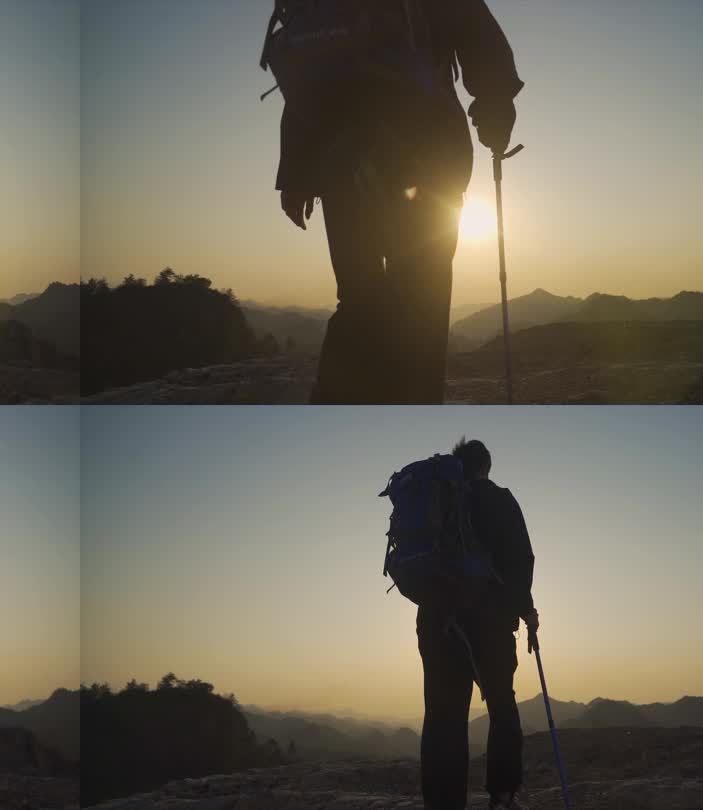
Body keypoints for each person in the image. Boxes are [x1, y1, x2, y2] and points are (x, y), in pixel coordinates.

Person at [272, 0, 524, 404]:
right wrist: (495, 107)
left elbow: (310, 75)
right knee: (423, 299)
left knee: (358, 299)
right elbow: (476, 30)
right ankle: (416, 402)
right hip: (426, 157)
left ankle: (342, 405)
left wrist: (296, 173)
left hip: (343, 165)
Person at [417, 438, 537, 810]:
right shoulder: (499, 499)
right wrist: (527, 611)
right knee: (502, 705)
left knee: (442, 714)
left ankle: (442, 802)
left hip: (437, 622)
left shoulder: (437, 501)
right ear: (486, 466)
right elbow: (521, 559)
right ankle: (501, 795)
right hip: (490, 624)